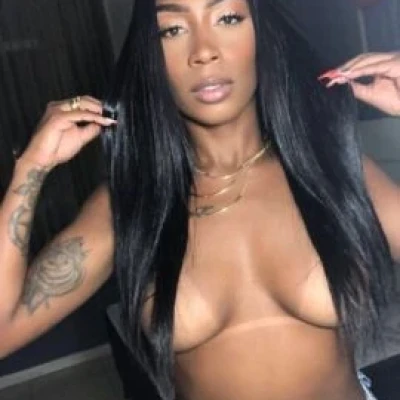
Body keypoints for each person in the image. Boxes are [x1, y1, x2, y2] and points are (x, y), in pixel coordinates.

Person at [0, 0, 399, 399]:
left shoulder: (333, 169)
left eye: (228, 18)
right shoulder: (132, 200)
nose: (204, 51)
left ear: (262, 35)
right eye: (172, 29)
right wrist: (31, 168)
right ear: (150, 55)